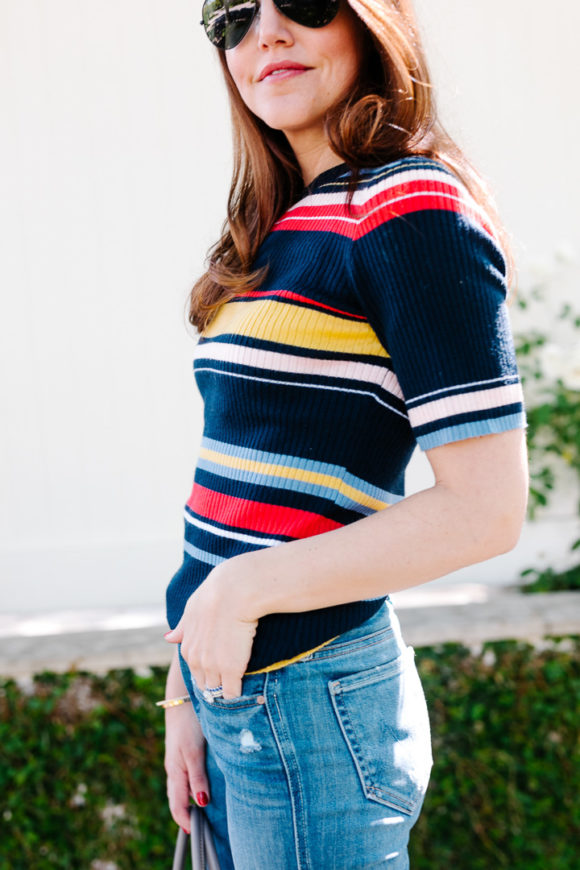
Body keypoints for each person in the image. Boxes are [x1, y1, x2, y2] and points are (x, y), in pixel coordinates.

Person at [162, 1, 529, 867]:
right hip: (242, 688)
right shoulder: (288, 225)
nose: (268, 34)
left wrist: (239, 594)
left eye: (307, 0)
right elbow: (240, 489)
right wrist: (187, 687)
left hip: (306, 699)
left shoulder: (409, 207)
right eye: (235, 16)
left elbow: (487, 511)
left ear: (371, 24)